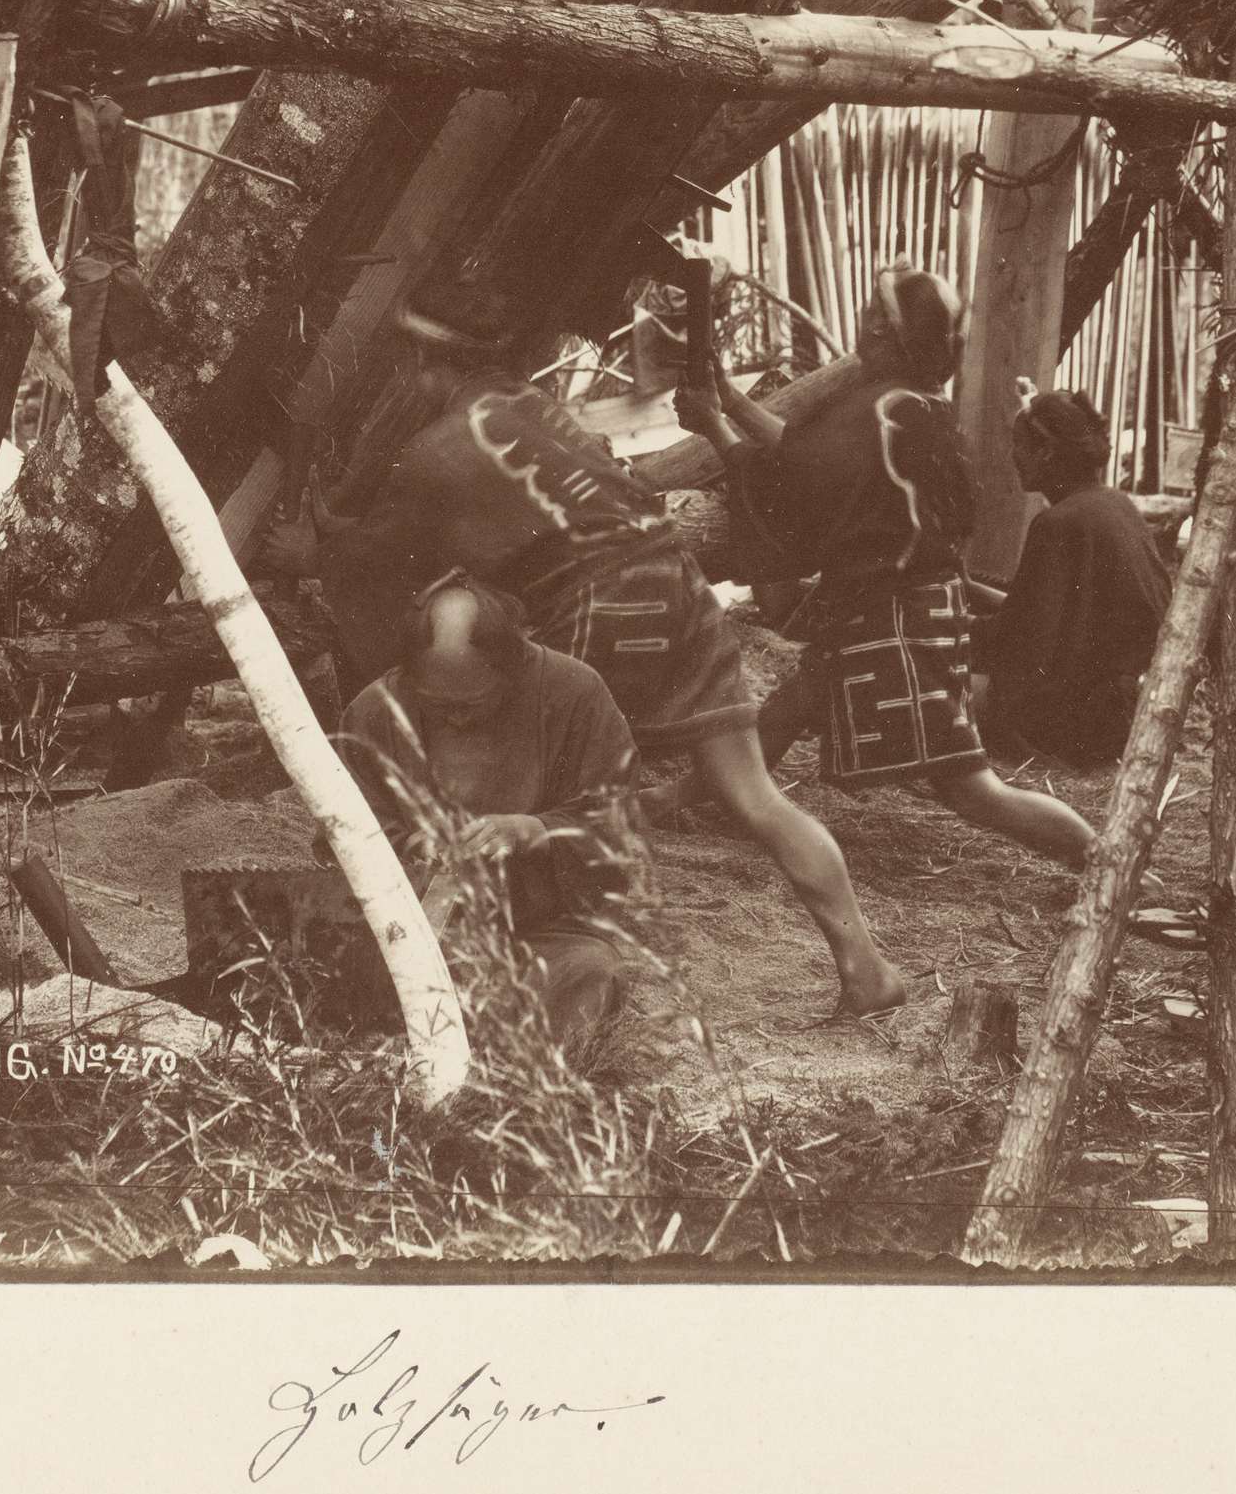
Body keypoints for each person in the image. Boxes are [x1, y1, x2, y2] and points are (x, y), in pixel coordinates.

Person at [311, 274, 911, 1016]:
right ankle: (867, 968)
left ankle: (504, 959)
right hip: (678, 584)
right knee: (757, 797)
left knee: (521, 790)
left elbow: (378, 560)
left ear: (426, 362)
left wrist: (312, 546)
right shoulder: (539, 407)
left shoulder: (437, 450)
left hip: (599, 607)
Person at [689, 267, 1100, 869]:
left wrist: (713, 427)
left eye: (869, 315)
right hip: (908, 609)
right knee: (796, 701)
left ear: (883, 331)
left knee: (970, 789)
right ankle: (699, 798)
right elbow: (807, 456)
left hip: (893, 617)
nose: (861, 323)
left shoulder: (879, 409)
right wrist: (729, 402)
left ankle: (1103, 857)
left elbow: (794, 479)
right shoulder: (916, 406)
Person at [335, 580, 640, 1050]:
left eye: (473, 705)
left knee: (589, 973)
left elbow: (616, 815)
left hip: (542, 929)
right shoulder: (376, 711)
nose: (457, 720)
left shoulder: (574, 693)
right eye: (438, 707)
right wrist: (414, 846)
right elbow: (343, 832)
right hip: (416, 931)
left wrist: (535, 831)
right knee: (345, 969)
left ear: (512, 667)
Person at [979, 389, 1166, 769]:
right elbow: (1042, 613)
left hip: (1082, 722)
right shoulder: (1116, 504)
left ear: (1046, 453)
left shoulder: (1057, 523)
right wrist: (968, 588)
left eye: (1019, 445)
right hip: (1129, 712)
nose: (1013, 456)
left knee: (946, 691)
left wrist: (948, 629)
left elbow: (1021, 639)